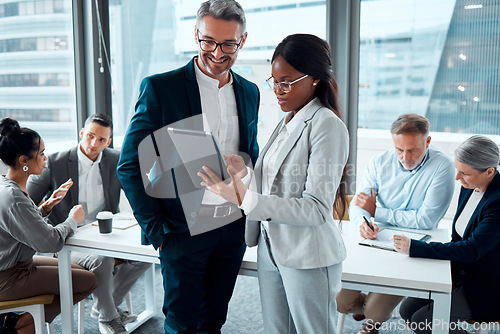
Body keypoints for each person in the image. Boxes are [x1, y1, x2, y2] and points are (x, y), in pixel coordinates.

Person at [116, 1, 259, 333]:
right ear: (196, 35)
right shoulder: (161, 88)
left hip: (231, 229)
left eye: (228, 44)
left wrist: (245, 171)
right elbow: (129, 164)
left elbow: (249, 154)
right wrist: (158, 232)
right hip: (181, 232)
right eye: (208, 41)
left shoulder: (249, 92)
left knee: (213, 322)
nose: (218, 52)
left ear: (243, 40)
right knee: (182, 324)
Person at [199, 33, 349, 334]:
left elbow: (316, 209)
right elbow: (279, 184)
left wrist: (243, 200)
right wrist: (245, 174)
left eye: (286, 82)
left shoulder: (326, 125)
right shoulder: (288, 119)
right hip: (271, 245)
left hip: (307, 252)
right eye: (274, 81)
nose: (278, 90)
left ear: (315, 80)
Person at [27, 114, 150, 334]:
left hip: (106, 231)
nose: (94, 144)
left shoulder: (116, 159)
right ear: (82, 133)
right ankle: (109, 316)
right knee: (102, 260)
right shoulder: (54, 163)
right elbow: (28, 207)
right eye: (91, 136)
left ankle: (104, 306)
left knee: (147, 251)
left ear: (108, 142)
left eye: (101, 139)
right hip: (70, 238)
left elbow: (137, 194)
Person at [336, 113, 455, 334]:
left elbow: (426, 220)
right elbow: (359, 204)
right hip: (375, 239)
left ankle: (371, 319)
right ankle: (366, 305)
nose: (405, 157)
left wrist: (378, 211)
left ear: (427, 141)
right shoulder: (379, 161)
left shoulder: (443, 165)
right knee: (339, 302)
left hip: (412, 245)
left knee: (375, 312)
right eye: (399, 149)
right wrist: (363, 221)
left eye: (412, 150)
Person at [393, 135, 500, 334]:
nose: (457, 177)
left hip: (485, 285)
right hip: (460, 273)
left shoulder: (497, 202)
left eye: (465, 173)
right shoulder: (470, 187)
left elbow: (472, 249)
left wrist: (416, 247)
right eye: (457, 169)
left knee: (422, 320)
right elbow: (459, 238)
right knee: (407, 310)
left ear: (489, 172)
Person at [0, 117, 97, 334]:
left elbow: (20, 226)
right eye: (41, 153)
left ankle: (22, 320)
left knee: (79, 272)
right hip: (9, 277)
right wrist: (73, 219)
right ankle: (20, 325)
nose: (45, 158)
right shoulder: (14, 196)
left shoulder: (6, 185)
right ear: (24, 160)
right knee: (89, 281)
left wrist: (46, 206)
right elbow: (49, 241)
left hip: (17, 266)